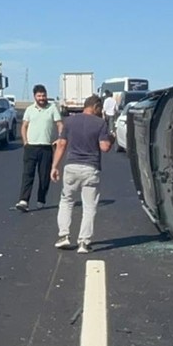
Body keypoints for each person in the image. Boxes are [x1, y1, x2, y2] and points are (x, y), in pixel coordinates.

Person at [50, 94, 113, 253]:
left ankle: (64, 235)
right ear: (96, 107)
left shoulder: (69, 121)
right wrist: (111, 137)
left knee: (66, 201)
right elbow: (104, 147)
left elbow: (62, 144)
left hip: (71, 167)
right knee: (89, 206)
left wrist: (55, 166)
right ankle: (84, 243)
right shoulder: (100, 124)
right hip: (90, 169)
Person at [15, 84, 63, 212]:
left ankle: (41, 199)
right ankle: (23, 200)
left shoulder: (52, 108)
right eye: (39, 96)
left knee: (44, 176)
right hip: (31, 147)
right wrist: (25, 141)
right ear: (34, 96)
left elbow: (59, 124)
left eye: (43, 95)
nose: (41, 98)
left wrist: (60, 138)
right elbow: (24, 126)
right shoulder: (30, 109)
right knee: (28, 174)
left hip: (46, 147)